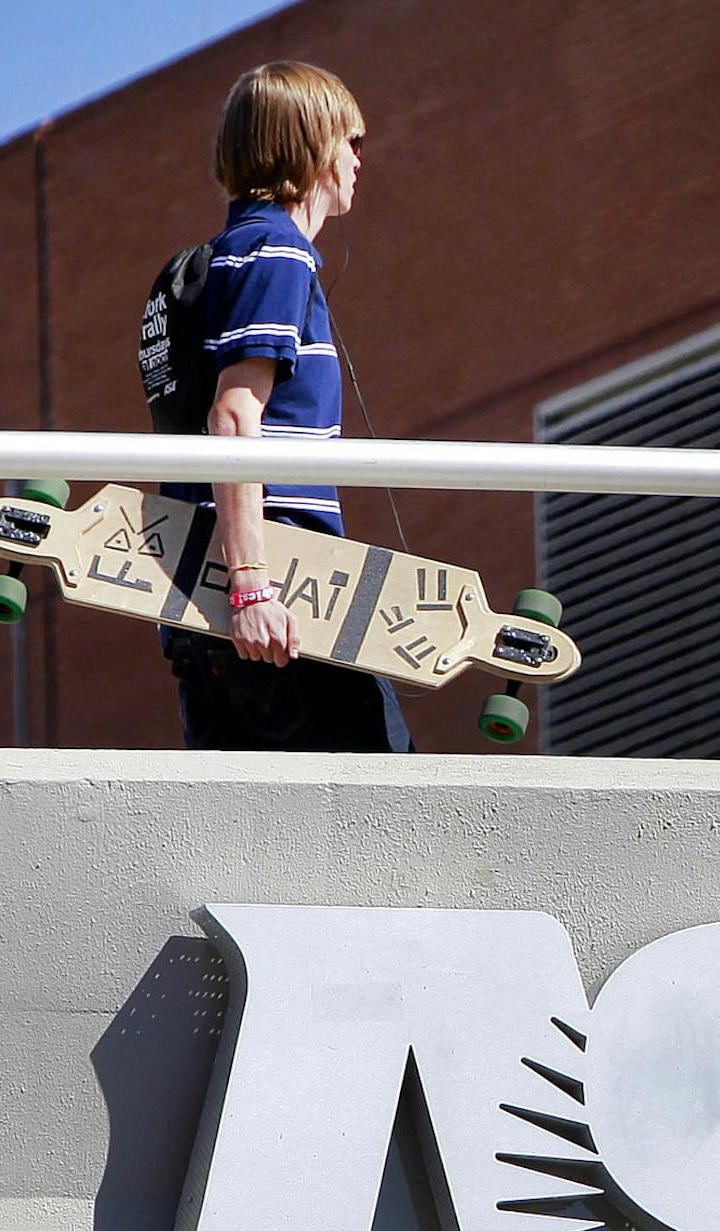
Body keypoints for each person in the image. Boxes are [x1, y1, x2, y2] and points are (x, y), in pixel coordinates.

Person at [157, 61, 410, 754]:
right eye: (353, 139)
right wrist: (252, 589)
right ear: (313, 142)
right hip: (282, 593)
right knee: (387, 813)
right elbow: (234, 417)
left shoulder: (219, 260)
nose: (361, 158)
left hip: (201, 601)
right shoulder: (276, 252)